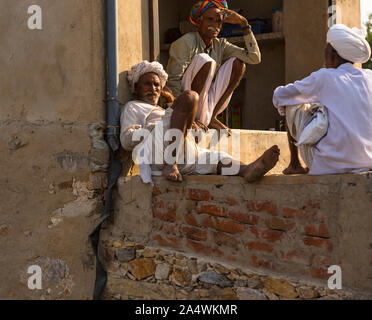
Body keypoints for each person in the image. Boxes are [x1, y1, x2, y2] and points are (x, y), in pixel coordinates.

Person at [120, 60, 280, 183]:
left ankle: (247, 170)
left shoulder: (162, 111)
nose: (154, 88)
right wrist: (156, 127)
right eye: (147, 84)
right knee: (190, 97)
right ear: (136, 87)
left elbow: (178, 129)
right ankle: (171, 164)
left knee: (215, 158)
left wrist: (187, 126)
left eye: (157, 85)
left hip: (181, 152)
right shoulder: (133, 107)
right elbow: (126, 140)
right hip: (160, 154)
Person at [273, 24, 372, 176]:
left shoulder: (325, 77)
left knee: (292, 103)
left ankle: (295, 164)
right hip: (368, 161)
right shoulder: (369, 76)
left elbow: (280, 96)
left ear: (332, 53)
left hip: (331, 164)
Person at [166, 0, 261, 133]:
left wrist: (243, 24)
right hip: (185, 100)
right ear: (199, 22)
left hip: (204, 102)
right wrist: (180, 113)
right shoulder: (186, 42)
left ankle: (212, 117)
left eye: (218, 22)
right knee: (206, 60)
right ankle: (192, 116)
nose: (214, 25)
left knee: (238, 64)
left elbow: (254, 57)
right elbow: (173, 81)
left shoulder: (220, 44)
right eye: (209, 20)